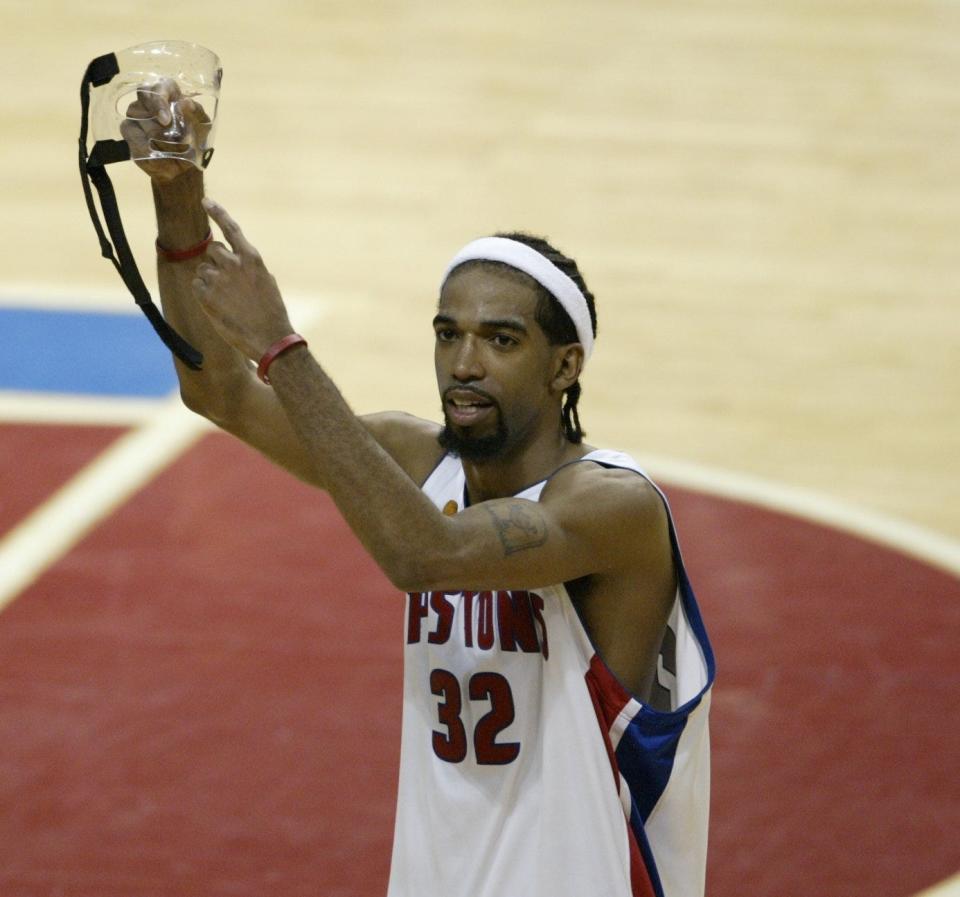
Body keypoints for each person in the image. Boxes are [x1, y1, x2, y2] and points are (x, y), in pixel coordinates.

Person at [123, 81, 715, 897]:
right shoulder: (415, 458)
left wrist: (283, 349)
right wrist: (176, 198)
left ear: (565, 364)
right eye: (449, 334)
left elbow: (424, 552)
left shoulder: (613, 508)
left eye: (500, 340)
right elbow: (218, 393)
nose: (465, 363)